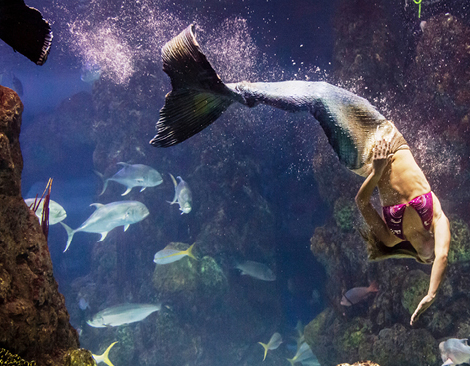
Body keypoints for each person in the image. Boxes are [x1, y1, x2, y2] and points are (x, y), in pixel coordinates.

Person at [149, 24, 451, 325]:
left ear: (417, 257)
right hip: (384, 129)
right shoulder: (435, 218)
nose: (433, 255)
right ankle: (227, 91)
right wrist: (432, 293)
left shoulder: (391, 235)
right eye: (432, 256)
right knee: (320, 88)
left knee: (318, 98)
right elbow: (442, 257)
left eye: (426, 259)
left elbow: (361, 203)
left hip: (362, 155)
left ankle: (221, 92)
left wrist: (379, 171)